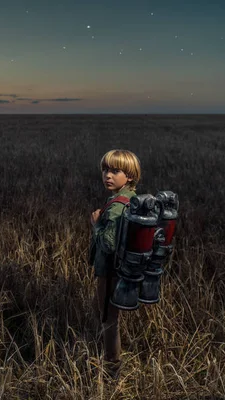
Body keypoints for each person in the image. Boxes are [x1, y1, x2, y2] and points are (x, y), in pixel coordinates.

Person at [89, 149, 142, 379]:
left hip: (110, 273)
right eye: (105, 170)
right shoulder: (130, 199)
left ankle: (112, 372)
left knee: (109, 320)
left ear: (129, 176)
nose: (107, 175)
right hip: (120, 271)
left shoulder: (117, 206)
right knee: (110, 317)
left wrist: (96, 225)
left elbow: (108, 244)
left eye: (115, 171)